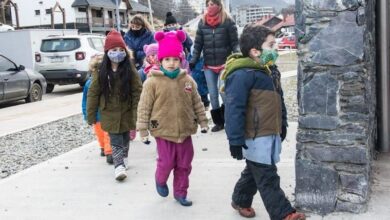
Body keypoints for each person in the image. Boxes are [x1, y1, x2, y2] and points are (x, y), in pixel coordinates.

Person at [222, 24, 305, 220]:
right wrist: (234, 140)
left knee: (255, 169)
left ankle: (240, 199)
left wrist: (282, 124)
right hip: (254, 135)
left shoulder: (270, 70)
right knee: (267, 176)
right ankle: (283, 213)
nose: (276, 49)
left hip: (269, 131)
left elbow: (279, 101)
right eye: (271, 45)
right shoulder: (241, 74)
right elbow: (234, 109)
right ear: (255, 51)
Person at [136, 30, 209, 207]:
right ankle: (160, 179)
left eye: (175, 59)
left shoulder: (188, 80)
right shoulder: (152, 82)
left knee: (184, 164)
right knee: (166, 162)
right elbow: (144, 106)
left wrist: (203, 121)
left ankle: (180, 193)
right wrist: (143, 130)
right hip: (162, 129)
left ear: (181, 60)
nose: (171, 63)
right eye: (167, 59)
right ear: (160, 60)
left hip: (184, 130)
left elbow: (197, 102)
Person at [87, 30, 142, 181]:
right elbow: (93, 93)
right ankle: (118, 166)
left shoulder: (130, 69)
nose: (117, 53)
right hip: (109, 112)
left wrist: (138, 111)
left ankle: (124, 159)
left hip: (127, 111)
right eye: (114, 50)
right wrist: (90, 115)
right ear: (107, 52)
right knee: (115, 139)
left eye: (121, 50)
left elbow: (138, 90)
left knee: (125, 138)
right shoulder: (100, 71)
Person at [189, 0, 239, 132]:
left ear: (219, 5)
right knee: (212, 94)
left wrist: (238, 55)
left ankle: (230, 120)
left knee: (223, 92)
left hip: (225, 63)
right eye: (208, 5)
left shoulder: (228, 21)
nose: (210, 7)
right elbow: (198, 44)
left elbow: (235, 43)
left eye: (213, 4)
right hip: (209, 64)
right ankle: (218, 122)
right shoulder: (203, 22)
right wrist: (193, 59)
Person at [81, 74, 113, 164]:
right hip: (101, 113)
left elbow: (85, 101)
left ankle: (107, 151)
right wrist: (86, 114)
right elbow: (85, 101)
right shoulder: (107, 81)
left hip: (98, 114)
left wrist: (86, 114)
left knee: (103, 133)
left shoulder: (89, 82)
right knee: (104, 133)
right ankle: (105, 149)